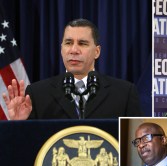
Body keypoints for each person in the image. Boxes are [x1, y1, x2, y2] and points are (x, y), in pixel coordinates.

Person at [2, 18, 142, 119]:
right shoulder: (37, 93)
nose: (74, 50)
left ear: (97, 52)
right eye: (68, 43)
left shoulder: (124, 93)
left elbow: (134, 145)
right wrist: (18, 123)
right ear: (62, 49)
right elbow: (25, 149)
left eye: (82, 43)